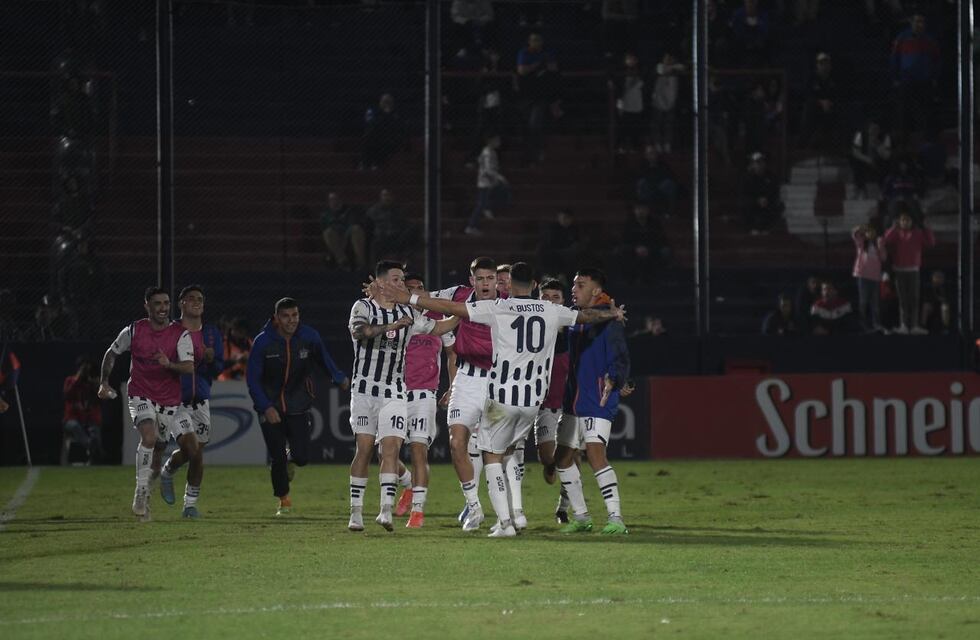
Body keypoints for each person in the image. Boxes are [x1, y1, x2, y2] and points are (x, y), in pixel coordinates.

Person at [376, 262, 626, 537]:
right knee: (511, 454)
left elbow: (450, 308)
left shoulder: (498, 307)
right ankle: (516, 514)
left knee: (491, 457)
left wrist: (407, 298)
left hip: (502, 399)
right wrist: (612, 313)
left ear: (508, 284)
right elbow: (586, 316)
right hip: (532, 403)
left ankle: (506, 522)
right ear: (533, 285)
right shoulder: (552, 310)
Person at [347, 261, 457, 532]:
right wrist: (392, 326)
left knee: (391, 448)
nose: (401, 284)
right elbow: (360, 332)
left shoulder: (407, 312)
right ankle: (356, 513)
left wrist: (464, 312)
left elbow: (437, 327)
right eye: (396, 279)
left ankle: (385, 511)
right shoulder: (363, 307)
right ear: (381, 282)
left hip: (395, 391)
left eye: (401, 279)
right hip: (364, 391)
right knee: (364, 449)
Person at [97, 287, 196, 522]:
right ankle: (140, 492)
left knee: (158, 453)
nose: (163, 308)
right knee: (149, 438)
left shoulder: (180, 334)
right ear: (147, 306)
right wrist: (103, 382)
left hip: (169, 401)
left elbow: (189, 367)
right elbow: (112, 353)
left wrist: (169, 364)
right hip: (140, 394)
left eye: (166, 303)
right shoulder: (134, 330)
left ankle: (146, 493)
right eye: (157, 303)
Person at [247, 297, 349, 517]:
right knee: (277, 456)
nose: (291, 320)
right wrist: (265, 406)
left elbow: (324, 359)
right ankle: (284, 500)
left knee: (301, 457)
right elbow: (252, 380)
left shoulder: (309, 336)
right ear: (276, 318)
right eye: (286, 316)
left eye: (294, 315)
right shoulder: (263, 342)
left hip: (298, 403)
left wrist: (338, 377)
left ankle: (291, 461)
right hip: (270, 407)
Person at [552, 268, 633, 535]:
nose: (574, 289)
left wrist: (615, 378)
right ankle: (581, 517)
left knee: (595, 454)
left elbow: (621, 355)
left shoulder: (609, 319)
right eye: (574, 284)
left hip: (598, 395)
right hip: (573, 399)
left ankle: (616, 518)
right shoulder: (576, 318)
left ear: (596, 290)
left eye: (581, 285)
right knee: (563, 457)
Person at [430, 257, 499, 531]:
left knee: (497, 450)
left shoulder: (507, 304)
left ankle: (510, 511)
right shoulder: (459, 296)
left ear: (497, 281)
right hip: (467, 379)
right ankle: (473, 507)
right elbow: (426, 297)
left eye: (490, 278)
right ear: (472, 281)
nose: (485, 283)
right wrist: (394, 293)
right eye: (480, 278)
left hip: (497, 383)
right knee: (457, 443)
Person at [158, 285, 224, 518]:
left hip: (201, 403)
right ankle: (188, 503)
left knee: (194, 454)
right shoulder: (170, 332)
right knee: (193, 449)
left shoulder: (211, 333)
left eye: (200, 299)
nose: (196, 302)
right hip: (176, 402)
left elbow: (218, 368)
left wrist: (211, 359)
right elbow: (161, 365)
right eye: (191, 298)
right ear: (181, 304)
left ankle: (173, 480)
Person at [400, 273, 459, 528]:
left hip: (424, 394)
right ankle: (408, 483)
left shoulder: (436, 317)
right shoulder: (395, 316)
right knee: (383, 452)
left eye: (420, 287)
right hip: (395, 392)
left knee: (418, 450)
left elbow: (452, 354)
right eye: (410, 287)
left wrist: (452, 387)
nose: (415, 291)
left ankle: (417, 510)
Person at [533, 279, 570, 486]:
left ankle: (567, 501)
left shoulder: (573, 329)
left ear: (563, 301)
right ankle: (549, 466)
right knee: (547, 457)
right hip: (545, 406)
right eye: (545, 297)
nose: (550, 302)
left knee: (570, 457)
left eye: (556, 297)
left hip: (570, 406)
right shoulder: (531, 331)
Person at [891, 12, 941, 142]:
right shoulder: (902, 38)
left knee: (927, 112)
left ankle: (928, 139)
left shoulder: (930, 40)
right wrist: (895, 77)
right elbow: (895, 58)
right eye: (917, 21)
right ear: (911, 23)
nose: (919, 24)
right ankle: (904, 139)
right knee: (904, 112)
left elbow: (936, 60)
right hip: (906, 80)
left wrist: (934, 77)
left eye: (922, 21)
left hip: (924, 81)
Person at [882, 210, 935, 334]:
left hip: (913, 270)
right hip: (899, 270)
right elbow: (886, 240)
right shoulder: (896, 233)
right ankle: (904, 325)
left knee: (914, 299)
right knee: (903, 300)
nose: (905, 223)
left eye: (908, 220)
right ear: (899, 222)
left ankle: (914, 325)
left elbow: (931, 243)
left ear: (911, 222)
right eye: (903, 220)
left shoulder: (918, 233)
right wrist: (893, 227)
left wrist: (927, 229)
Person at [516, 32, 562, 166]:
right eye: (534, 40)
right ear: (529, 41)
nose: (536, 42)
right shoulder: (524, 53)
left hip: (541, 95)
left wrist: (540, 66)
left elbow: (554, 68)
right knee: (526, 126)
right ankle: (528, 156)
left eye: (539, 40)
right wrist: (537, 65)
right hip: (526, 94)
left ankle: (536, 154)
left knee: (535, 124)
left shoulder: (547, 53)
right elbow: (521, 70)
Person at [465, 133, 510, 236]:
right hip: (485, 182)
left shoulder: (490, 152)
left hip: (489, 182)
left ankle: (487, 208)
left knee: (500, 192)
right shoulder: (488, 153)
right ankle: (471, 226)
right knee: (481, 204)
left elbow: (481, 162)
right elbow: (488, 169)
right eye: (497, 140)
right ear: (491, 141)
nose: (499, 142)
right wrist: (499, 177)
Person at [62, 356, 103, 465]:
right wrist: (77, 378)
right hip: (71, 419)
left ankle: (94, 459)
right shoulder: (70, 380)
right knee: (75, 426)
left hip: (86, 419)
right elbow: (67, 395)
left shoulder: (89, 384)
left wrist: (95, 384)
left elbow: (99, 399)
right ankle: (91, 446)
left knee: (94, 429)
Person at [365, 188, 418, 265]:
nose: (387, 198)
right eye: (385, 195)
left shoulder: (398, 210)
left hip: (396, 238)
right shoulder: (373, 211)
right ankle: (373, 267)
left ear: (393, 197)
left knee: (413, 229)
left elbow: (405, 224)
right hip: (381, 238)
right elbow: (368, 225)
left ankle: (408, 262)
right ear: (381, 197)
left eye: (389, 195)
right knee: (374, 244)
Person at [619, 203, 670, 283]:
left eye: (643, 209)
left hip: (651, 250)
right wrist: (636, 248)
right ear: (634, 211)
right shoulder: (629, 224)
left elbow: (660, 240)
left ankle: (655, 280)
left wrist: (648, 249)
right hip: (633, 250)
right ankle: (631, 280)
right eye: (638, 209)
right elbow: (625, 240)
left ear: (647, 210)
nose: (641, 211)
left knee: (664, 252)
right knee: (624, 252)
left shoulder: (655, 223)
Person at [800, 52, 840, 150]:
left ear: (830, 65)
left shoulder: (835, 79)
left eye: (826, 62)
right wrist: (821, 102)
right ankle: (803, 144)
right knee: (808, 108)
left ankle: (836, 144)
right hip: (815, 107)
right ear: (817, 65)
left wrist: (829, 103)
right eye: (821, 63)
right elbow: (807, 95)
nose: (824, 65)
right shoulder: (811, 78)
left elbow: (838, 96)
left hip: (830, 107)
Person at [852, 224, 887, 332]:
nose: (870, 234)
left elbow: (883, 258)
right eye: (868, 232)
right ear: (865, 234)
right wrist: (860, 228)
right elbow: (855, 235)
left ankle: (876, 324)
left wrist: (881, 246)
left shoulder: (878, 244)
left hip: (875, 277)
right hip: (863, 276)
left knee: (875, 303)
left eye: (872, 232)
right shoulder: (862, 243)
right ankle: (863, 324)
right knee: (863, 301)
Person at [320, 192, 367, 271]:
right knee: (328, 233)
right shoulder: (325, 214)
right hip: (335, 238)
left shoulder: (349, 211)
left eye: (335, 199)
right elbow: (325, 228)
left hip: (348, 236)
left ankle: (360, 262)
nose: (333, 201)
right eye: (331, 199)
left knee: (356, 229)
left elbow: (353, 223)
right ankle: (342, 261)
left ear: (340, 200)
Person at [610, 52, 647, 153]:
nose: (630, 61)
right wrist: (619, 104)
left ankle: (634, 146)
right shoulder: (621, 72)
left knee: (635, 128)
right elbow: (618, 88)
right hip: (625, 105)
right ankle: (621, 146)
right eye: (628, 59)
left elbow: (644, 85)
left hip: (637, 105)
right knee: (623, 127)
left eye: (632, 58)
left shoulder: (641, 71)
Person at [742, 151, 784, 235]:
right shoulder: (746, 178)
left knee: (779, 206)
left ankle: (768, 228)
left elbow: (775, 192)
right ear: (752, 164)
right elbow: (744, 195)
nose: (759, 165)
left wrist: (767, 199)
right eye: (756, 162)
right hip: (753, 206)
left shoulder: (771, 176)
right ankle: (752, 228)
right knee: (746, 205)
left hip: (768, 204)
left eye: (761, 162)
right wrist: (757, 200)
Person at [538, 208, 584, 283]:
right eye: (561, 218)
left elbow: (577, 244)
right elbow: (549, 244)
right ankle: (549, 275)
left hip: (569, 254)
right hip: (554, 254)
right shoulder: (553, 229)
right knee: (546, 254)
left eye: (566, 218)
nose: (563, 220)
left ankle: (563, 277)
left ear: (571, 219)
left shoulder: (574, 229)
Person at [651, 52, 684, 154]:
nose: (668, 60)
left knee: (668, 125)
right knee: (658, 124)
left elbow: (682, 67)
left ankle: (667, 144)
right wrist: (669, 68)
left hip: (671, 102)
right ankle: (657, 143)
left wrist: (672, 67)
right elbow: (660, 69)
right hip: (658, 102)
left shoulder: (675, 71)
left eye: (669, 58)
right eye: (666, 58)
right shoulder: (660, 67)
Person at [850, 119, 892, 199]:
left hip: (878, 161)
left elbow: (887, 156)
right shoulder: (860, 135)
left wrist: (878, 145)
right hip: (864, 160)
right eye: (872, 128)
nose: (874, 131)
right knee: (857, 163)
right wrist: (867, 159)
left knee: (885, 165)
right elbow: (855, 152)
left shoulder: (885, 137)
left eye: (876, 129)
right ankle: (859, 188)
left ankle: (883, 190)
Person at [361, 93, 405, 170]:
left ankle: (376, 163)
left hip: (390, 139)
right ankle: (366, 164)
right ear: (380, 102)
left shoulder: (396, 113)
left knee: (383, 143)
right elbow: (370, 123)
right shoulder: (374, 111)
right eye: (384, 101)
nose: (386, 104)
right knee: (369, 138)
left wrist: (387, 115)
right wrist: (385, 116)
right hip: (376, 137)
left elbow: (397, 127)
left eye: (388, 102)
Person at [218, 317, 251, 381]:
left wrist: (249, 358)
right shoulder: (224, 343)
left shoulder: (248, 343)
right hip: (226, 378)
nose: (240, 333)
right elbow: (221, 364)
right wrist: (237, 359)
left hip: (244, 378)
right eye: (238, 330)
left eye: (242, 331)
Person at [921, 270, 952, 335]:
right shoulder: (928, 287)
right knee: (926, 306)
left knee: (945, 307)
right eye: (936, 277)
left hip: (941, 307)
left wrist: (942, 299)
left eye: (940, 277)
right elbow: (926, 299)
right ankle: (923, 326)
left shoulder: (946, 288)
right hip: (932, 305)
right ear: (932, 278)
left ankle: (945, 327)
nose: (938, 279)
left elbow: (947, 299)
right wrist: (936, 299)